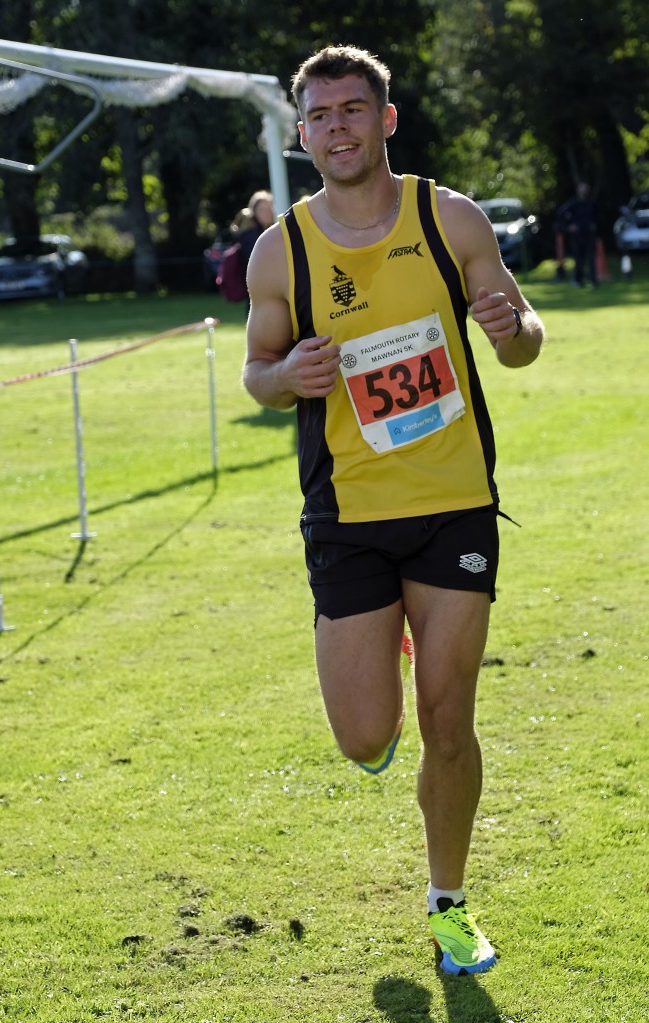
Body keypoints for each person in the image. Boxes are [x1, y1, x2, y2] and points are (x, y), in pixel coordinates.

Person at [242, 45, 545, 976]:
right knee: (366, 736)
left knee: (449, 720)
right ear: (302, 134)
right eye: (320, 115)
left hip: (455, 503)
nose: (337, 127)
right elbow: (257, 373)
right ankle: (386, 651)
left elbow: (525, 336)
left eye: (352, 109)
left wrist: (513, 330)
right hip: (348, 513)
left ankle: (450, 905)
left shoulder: (448, 217)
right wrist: (287, 377)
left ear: (386, 118)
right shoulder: (282, 249)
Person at [556, 182, 598, 287]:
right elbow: (561, 213)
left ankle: (593, 280)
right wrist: (568, 227)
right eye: (582, 189)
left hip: (589, 234)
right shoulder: (573, 203)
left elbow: (597, 216)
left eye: (585, 189)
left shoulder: (590, 203)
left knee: (591, 257)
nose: (584, 191)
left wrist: (594, 225)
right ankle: (578, 280)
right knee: (579, 258)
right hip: (577, 235)